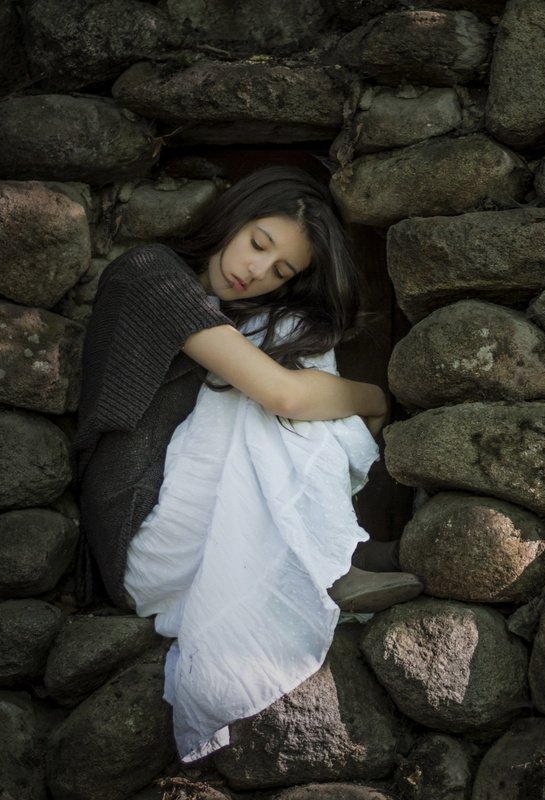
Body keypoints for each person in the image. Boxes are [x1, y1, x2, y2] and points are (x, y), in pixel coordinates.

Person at [72, 166, 422, 760]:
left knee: (288, 329)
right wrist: (375, 400)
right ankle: (327, 567)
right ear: (234, 217)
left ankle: (329, 555)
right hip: (138, 533)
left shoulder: (238, 310)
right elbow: (282, 396)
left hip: (194, 522)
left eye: (280, 270)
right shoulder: (151, 273)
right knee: (277, 385)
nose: (255, 272)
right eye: (258, 243)